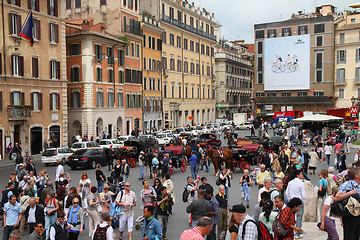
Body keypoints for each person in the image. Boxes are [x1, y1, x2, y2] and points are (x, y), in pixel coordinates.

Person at [334, 166, 360, 240]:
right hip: (349, 215)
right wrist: (350, 193)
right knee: (349, 236)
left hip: (358, 214)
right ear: (356, 175)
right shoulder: (348, 184)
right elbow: (337, 197)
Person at [285, 170, 306, 239]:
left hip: (291, 203)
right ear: (297, 175)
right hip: (298, 203)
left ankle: (292, 232)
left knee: (291, 218)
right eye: (301, 174)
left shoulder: (290, 183)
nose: (302, 175)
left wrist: (290, 200)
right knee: (299, 217)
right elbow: (303, 195)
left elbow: (287, 193)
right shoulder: (301, 183)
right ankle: (298, 232)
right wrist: (302, 203)